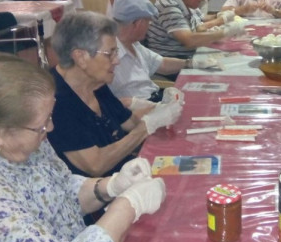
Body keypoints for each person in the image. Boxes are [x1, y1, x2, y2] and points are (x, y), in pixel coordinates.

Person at [0, 53, 167, 242]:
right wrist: (129, 205)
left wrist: (111, 186)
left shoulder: (20, 137)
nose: (51, 127)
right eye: (43, 123)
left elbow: (60, 189)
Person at [48, 11, 184, 178]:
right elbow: (96, 165)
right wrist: (146, 127)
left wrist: (161, 108)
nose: (117, 60)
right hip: (101, 194)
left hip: (126, 174)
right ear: (80, 57)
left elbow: (129, 122)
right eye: (109, 54)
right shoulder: (56, 102)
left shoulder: (95, 84)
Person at [109, 0, 218, 103]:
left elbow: (163, 64)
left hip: (155, 98)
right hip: (140, 109)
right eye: (148, 21)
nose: (150, 25)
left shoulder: (134, 45)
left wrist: (191, 63)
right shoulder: (110, 56)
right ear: (138, 23)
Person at [146, 0, 244, 59]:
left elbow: (201, 19)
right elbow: (189, 40)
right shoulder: (169, 7)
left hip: (188, 57)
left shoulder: (185, 3)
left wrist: (220, 15)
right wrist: (225, 32)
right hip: (173, 65)